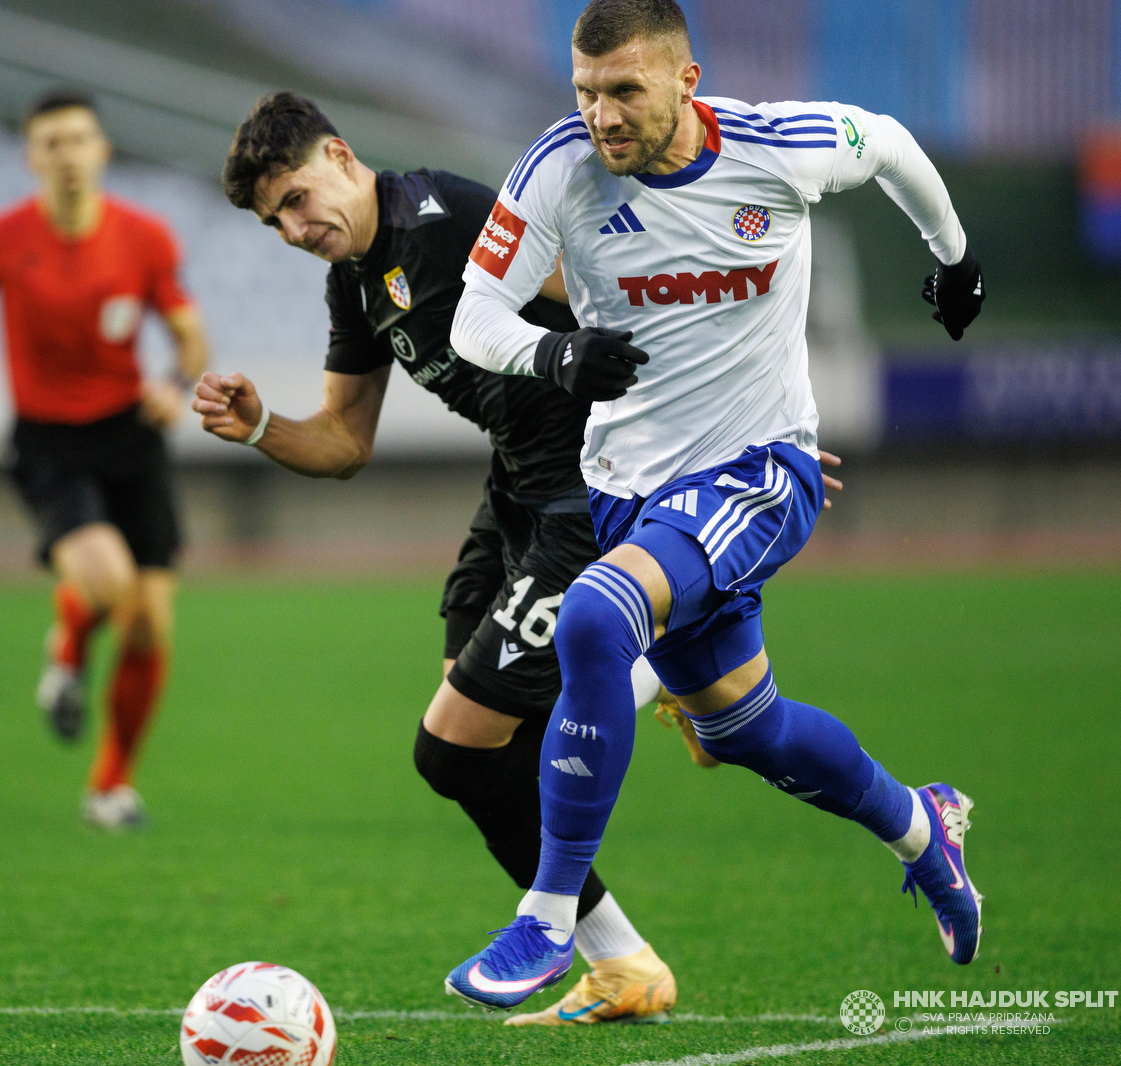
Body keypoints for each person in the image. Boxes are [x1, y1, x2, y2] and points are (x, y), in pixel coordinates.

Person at [197, 92, 843, 1026]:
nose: (295, 229)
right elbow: (344, 440)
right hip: (514, 501)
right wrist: (257, 424)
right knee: (480, 749)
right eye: (275, 222)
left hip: (591, 494)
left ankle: (644, 672)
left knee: (451, 747)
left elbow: (638, 296)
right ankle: (623, 953)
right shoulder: (353, 281)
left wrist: (753, 430)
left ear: (340, 155)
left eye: (297, 199)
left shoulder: (454, 218)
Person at [441, 0, 987, 1010]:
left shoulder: (781, 147)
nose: (599, 114)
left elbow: (895, 144)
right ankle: (923, 827)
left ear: (685, 83)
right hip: (631, 497)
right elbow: (474, 321)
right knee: (747, 731)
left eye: (623, 90)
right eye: (583, 91)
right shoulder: (558, 167)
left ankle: (548, 920)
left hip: (761, 472)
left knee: (598, 616)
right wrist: (553, 351)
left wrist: (953, 258)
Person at [0, 88, 209, 830]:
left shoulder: (145, 238)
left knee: (149, 624)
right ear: (32, 157)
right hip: (49, 444)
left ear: (102, 151)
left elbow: (189, 336)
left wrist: (174, 386)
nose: (67, 154)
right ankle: (70, 640)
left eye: (79, 138)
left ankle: (109, 784)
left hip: (130, 437)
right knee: (112, 582)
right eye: (51, 142)